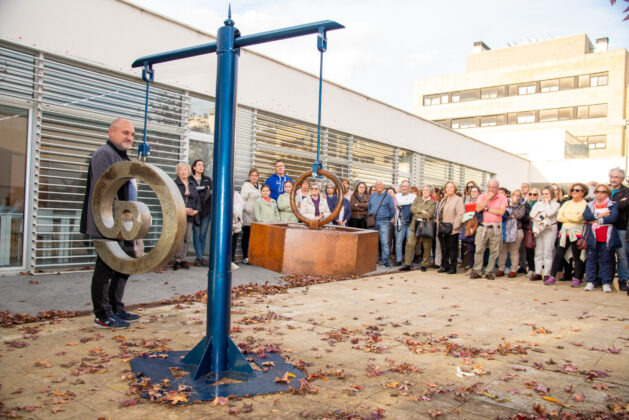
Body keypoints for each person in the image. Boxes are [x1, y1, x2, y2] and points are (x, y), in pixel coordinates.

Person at [80, 118, 141, 328]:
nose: (129, 138)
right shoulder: (104, 155)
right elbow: (104, 192)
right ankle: (102, 314)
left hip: (122, 221)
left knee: (125, 263)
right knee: (106, 267)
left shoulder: (121, 156)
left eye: (132, 134)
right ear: (111, 132)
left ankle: (116, 307)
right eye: (125, 133)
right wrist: (117, 224)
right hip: (108, 222)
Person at [546, 183, 588, 287]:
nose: (574, 192)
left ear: (583, 192)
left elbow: (580, 218)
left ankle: (577, 278)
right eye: (573, 190)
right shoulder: (566, 203)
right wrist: (573, 216)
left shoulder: (585, 204)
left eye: (577, 190)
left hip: (577, 233)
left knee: (577, 256)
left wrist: (568, 216)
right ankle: (552, 276)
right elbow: (559, 217)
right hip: (564, 233)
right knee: (558, 255)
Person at [583, 184, 621, 293]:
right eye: (598, 191)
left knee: (606, 260)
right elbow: (586, 216)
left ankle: (606, 282)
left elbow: (613, 217)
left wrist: (596, 220)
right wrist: (600, 215)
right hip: (593, 236)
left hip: (607, 236)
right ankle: (590, 281)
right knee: (591, 259)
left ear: (607, 193)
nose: (600, 194)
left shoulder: (613, 204)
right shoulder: (590, 205)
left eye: (603, 192)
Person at [470, 179, 507, 280]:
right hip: (483, 227)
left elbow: (501, 212)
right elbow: (477, 209)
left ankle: (489, 271)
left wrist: (487, 209)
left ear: (498, 188)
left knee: (494, 251)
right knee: (479, 249)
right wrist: (487, 199)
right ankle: (477, 270)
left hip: (495, 227)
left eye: (494, 187)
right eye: (489, 187)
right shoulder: (482, 196)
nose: (491, 189)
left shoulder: (502, 198)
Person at [400, 185, 436, 272]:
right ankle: (407, 264)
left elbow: (430, 214)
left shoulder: (432, 202)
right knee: (409, 244)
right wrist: (422, 211)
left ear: (430, 192)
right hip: (414, 225)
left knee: (427, 246)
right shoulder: (417, 199)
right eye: (423, 190)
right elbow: (412, 209)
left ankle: (424, 264)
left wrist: (418, 211)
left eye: (427, 190)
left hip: (426, 226)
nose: (425, 192)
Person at [173, 162, 200, 271]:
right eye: (181, 170)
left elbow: (197, 199)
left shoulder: (192, 184)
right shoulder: (175, 184)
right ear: (178, 172)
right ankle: (177, 259)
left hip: (190, 216)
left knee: (187, 238)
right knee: (179, 237)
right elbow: (173, 200)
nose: (183, 172)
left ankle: (183, 258)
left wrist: (196, 210)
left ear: (189, 171)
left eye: (185, 169)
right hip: (180, 215)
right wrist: (183, 209)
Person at [530, 186, 560, 281]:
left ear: (551, 194)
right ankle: (538, 272)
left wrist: (546, 204)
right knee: (538, 251)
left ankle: (547, 273)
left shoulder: (556, 204)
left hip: (550, 228)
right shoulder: (538, 204)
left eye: (547, 194)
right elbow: (532, 214)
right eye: (543, 194)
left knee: (548, 251)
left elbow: (550, 213)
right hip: (539, 228)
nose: (544, 196)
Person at [435, 181, 465, 274]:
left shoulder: (458, 199)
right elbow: (439, 213)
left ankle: (453, 267)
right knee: (444, 248)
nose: (449, 189)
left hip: (452, 229)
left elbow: (460, 214)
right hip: (442, 227)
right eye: (447, 187)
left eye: (451, 187)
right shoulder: (443, 199)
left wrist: (454, 226)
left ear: (455, 189)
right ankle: (445, 266)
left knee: (452, 249)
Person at [496, 189, 526, 277]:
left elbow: (519, 215)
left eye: (517, 196)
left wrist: (513, 208)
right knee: (502, 251)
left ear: (520, 197)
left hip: (517, 230)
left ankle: (513, 270)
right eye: (514, 195)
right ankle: (501, 269)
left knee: (514, 251)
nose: (515, 197)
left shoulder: (521, 205)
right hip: (505, 230)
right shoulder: (505, 203)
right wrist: (510, 214)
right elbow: (502, 214)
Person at [609, 167, 629, 291]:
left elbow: (623, 205)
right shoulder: (604, 190)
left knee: (622, 256)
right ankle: (605, 279)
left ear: (621, 179)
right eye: (611, 176)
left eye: (616, 177)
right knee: (606, 255)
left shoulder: (626, 191)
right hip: (605, 228)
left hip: (620, 227)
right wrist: (616, 203)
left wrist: (610, 204)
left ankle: (623, 279)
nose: (613, 179)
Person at [189, 159, 212, 267]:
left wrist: (202, 189)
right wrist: (203, 188)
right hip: (194, 211)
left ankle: (200, 257)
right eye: (199, 165)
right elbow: (191, 191)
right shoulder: (190, 179)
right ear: (194, 167)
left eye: (203, 165)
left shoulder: (208, 179)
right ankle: (200, 257)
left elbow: (211, 192)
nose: (201, 167)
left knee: (203, 234)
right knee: (196, 233)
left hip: (206, 210)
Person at [368, 180, 395, 268]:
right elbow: (369, 207)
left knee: (384, 243)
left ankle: (385, 262)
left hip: (384, 222)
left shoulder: (388, 197)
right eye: (376, 185)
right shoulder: (372, 196)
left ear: (384, 186)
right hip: (372, 222)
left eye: (380, 185)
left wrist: (386, 217)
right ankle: (373, 261)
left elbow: (392, 210)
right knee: (372, 242)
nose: (378, 186)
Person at [393, 180, 416, 266]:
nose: (404, 188)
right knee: (398, 241)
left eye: (406, 186)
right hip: (399, 222)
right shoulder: (397, 196)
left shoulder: (414, 196)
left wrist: (403, 204)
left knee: (409, 242)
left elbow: (414, 207)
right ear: (401, 187)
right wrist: (409, 204)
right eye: (403, 186)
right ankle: (398, 259)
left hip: (410, 222)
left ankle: (409, 260)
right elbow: (397, 204)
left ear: (409, 188)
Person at [241, 168, 260, 264]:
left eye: (256, 175)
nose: (254, 177)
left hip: (257, 215)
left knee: (255, 238)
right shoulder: (246, 185)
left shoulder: (259, 186)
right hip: (248, 214)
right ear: (249, 177)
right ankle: (245, 257)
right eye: (252, 175)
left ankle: (253, 257)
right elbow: (243, 199)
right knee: (246, 236)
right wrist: (245, 210)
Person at [461, 185, 481, 270]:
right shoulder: (467, 203)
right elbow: (463, 216)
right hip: (469, 227)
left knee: (479, 249)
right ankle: (471, 267)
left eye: (475, 191)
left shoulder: (482, 203)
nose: (473, 193)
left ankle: (478, 267)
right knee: (470, 248)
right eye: (472, 191)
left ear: (479, 193)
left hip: (479, 227)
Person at [232, 191, 244, 270]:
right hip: (229, 221)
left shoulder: (236, 194)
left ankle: (232, 259)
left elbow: (242, 205)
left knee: (234, 241)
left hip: (237, 221)